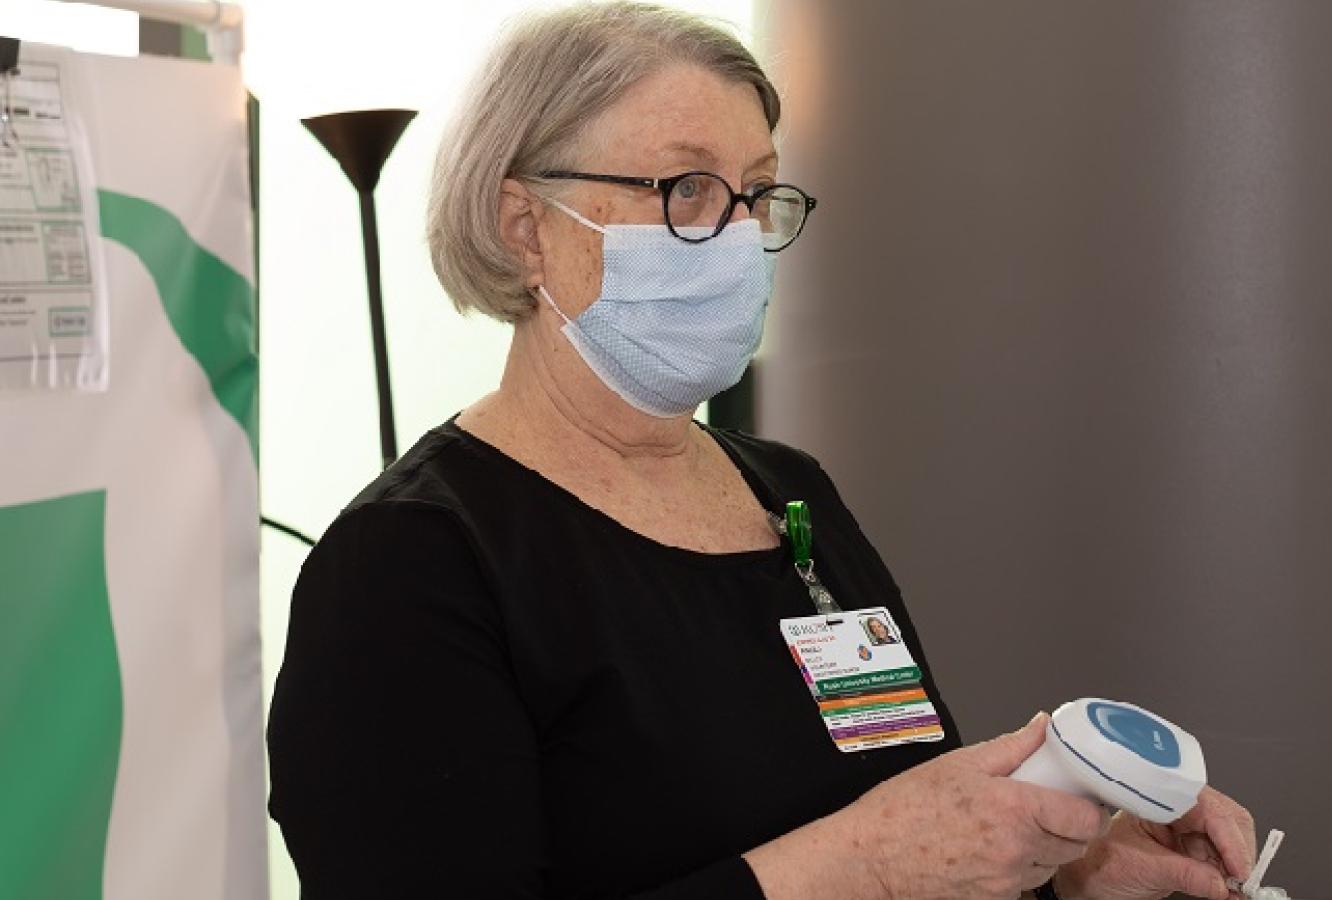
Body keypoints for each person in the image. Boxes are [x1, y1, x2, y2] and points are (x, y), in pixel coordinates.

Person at [265, 4, 1259, 899]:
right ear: (526, 226)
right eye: (688, 191)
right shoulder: (412, 568)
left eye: (757, 193)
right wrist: (863, 864)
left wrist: (1064, 866)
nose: (738, 237)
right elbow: (879, 849)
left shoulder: (786, 492)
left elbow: (901, 816)